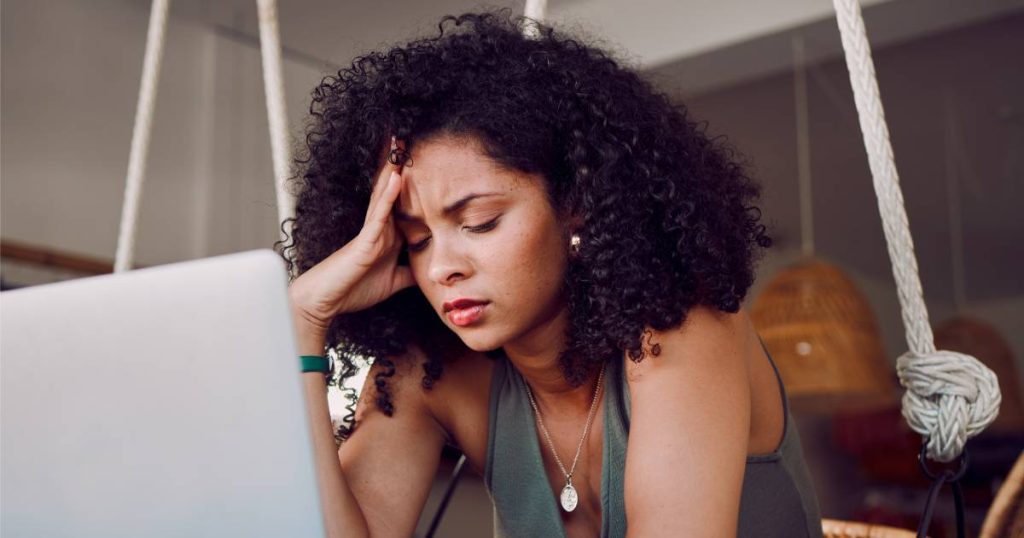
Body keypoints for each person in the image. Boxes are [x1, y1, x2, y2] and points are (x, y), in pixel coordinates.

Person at [281, 10, 822, 538]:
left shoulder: (681, 329)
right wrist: (304, 322)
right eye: (417, 240)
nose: (443, 267)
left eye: (480, 222)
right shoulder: (433, 375)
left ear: (575, 203)